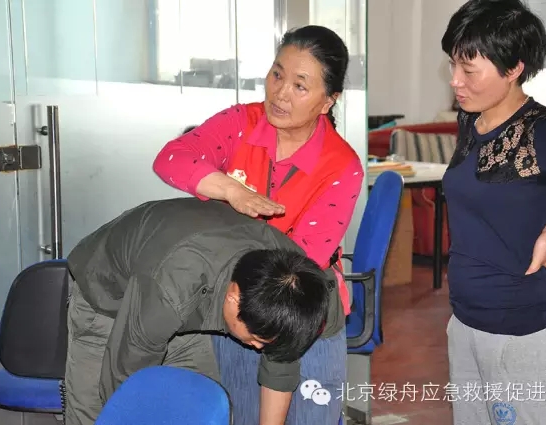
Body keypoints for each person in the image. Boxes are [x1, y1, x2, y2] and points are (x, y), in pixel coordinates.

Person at [152, 25, 363, 424]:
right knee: (242, 414)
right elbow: (172, 158)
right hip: (239, 311)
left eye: (300, 86)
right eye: (277, 74)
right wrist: (231, 190)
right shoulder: (241, 123)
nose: (280, 93)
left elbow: (298, 264)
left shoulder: (341, 166)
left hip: (302, 313)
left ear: (327, 101)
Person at [441, 1, 546, 424]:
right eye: (452, 65)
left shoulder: (545, 133)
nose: (455, 80)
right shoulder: (472, 121)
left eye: (469, 69)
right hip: (465, 324)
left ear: (513, 68)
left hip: (520, 334)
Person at [63, 197, 335, 425]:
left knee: (200, 408)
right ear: (234, 298)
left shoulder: (292, 282)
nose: (258, 348)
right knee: (99, 413)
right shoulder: (171, 287)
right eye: (255, 339)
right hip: (108, 294)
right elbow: (126, 385)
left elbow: (280, 364)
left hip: (181, 291)